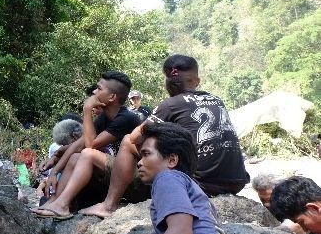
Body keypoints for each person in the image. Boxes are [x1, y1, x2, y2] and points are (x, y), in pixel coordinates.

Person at [80, 55, 250, 219]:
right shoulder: (216, 100)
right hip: (237, 181)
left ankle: (109, 206)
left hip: (202, 184)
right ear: (196, 81)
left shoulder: (171, 104)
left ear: (168, 85)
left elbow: (134, 137)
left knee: (127, 141)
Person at [33, 71, 140, 219]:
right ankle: (56, 202)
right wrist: (54, 171)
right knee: (76, 156)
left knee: (87, 154)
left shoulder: (127, 118)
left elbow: (90, 146)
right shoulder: (104, 117)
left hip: (134, 179)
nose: (95, 92)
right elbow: (78, 145)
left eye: (99, 88)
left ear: (112, 97)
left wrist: (87, 110)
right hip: (116, 174)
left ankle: (62, 204)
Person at [134, 122, 237, 234]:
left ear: (172, 160)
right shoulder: (192, 188)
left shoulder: (167, 177)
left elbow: (181, 231)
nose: (139, 162)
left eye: (146, 154)